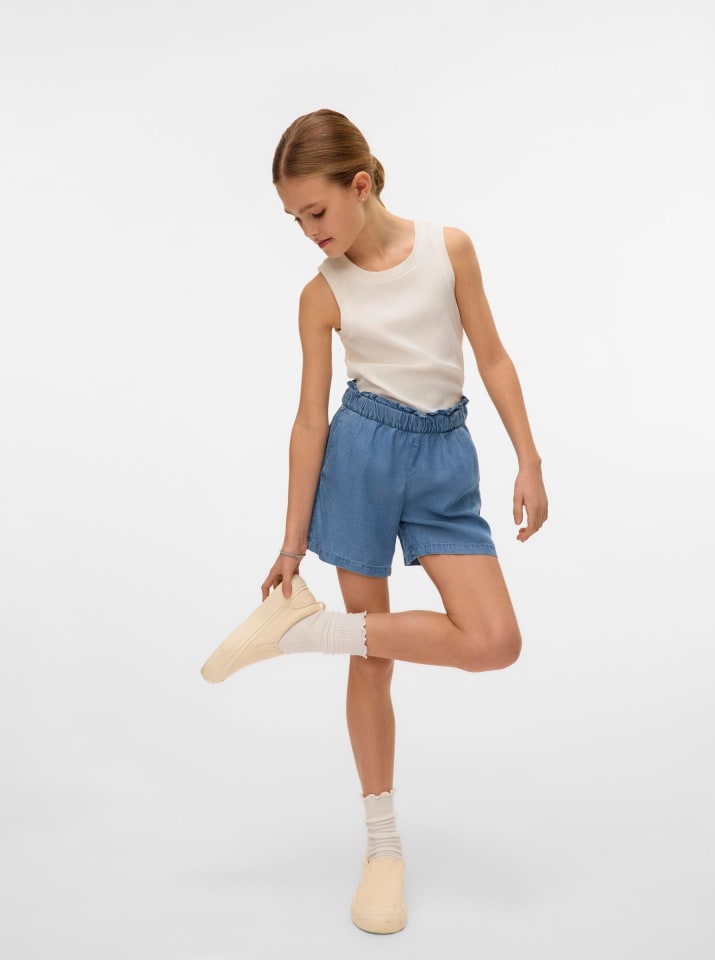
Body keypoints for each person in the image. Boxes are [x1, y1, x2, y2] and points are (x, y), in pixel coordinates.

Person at [201, 108, 548, 935]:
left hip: (444, 463)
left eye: (316, 211)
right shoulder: (320, 295)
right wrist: (291, 545)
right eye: (295, 219)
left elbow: (492, 356)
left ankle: (304, 633)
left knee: (494, 640)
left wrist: (529, 458)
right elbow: (308, 421)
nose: (308, 232)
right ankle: (382, 847)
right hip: (361, 457)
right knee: (373, 659)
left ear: (361, 185)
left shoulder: (449, 250)